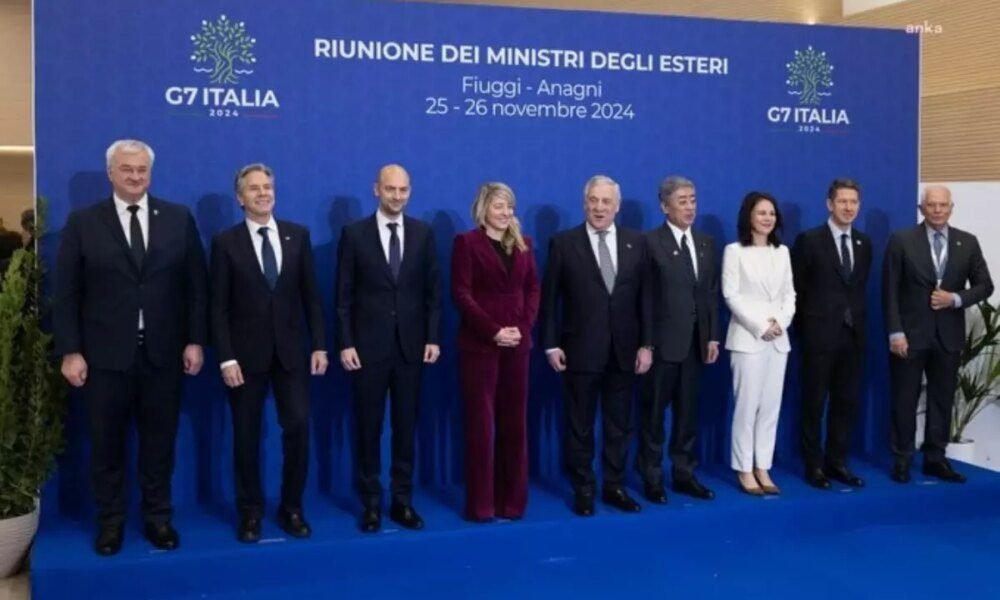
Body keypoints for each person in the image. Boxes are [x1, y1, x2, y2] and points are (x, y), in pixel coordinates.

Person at [54, 139, 208, 555]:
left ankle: (158, 519)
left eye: (142, 169)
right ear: (111, 173)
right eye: (127, 169)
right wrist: (70, 350)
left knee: (159, 445)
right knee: (107, 446)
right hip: (104, 357)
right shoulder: (83, 222)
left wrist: (195, 340)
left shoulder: (177, 218)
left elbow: (196, 286)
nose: (135, 176)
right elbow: (66, 292)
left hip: (164, 354)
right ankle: (110, 524)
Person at [210, 163, 327, 543]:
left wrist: (319, 345)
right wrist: (226, 357)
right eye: (254, 188)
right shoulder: (225, 242)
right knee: (246, 436)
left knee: (298, 427)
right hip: (244, 359)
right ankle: (250, 513)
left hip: (291, 354)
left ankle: (292, 508)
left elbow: (311, 297)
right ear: (240, 198)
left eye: (267, 187)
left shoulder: (297, 235)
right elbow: (218, 307)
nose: (263, 193)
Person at [336, 164, 442, 532]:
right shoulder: (354, 234)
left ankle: (402, 501)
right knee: (368, 428)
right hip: (367, 349)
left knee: (405, 427)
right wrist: (346, 343)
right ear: (376, 189)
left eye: (403, 190)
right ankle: (370, 504)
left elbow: (433, 293)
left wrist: (432, 337)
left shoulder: (423, 233)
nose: (397, 196)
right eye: (390, 189)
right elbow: (343, 296)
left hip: (411, 348)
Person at [539, 175, 651, 517]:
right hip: (580, 349)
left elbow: (646, 299)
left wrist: (647, 345)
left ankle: (614, 486)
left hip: (624, 351)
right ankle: (584, 489)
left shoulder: (637, 242)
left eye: (606, 202)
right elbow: (549, 300)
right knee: (580, 425)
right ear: (584, 203)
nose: (599, 208)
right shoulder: (564, 243)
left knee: (619, 425)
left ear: (617, 206)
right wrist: (550, 344)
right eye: (593, 200)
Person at [883, 185, 994, 484]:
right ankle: (903, 459)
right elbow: (890, 291)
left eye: (943, 205)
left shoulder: (967, 242)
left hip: (949, 336)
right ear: (922, 208)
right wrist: (895, 332)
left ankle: (935, 458)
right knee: (904, 399)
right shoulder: (902, 240)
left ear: (951, 208)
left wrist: (955, 299)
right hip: (909, 335)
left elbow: (985, 285)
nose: (937, 210)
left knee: (942, 399)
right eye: (931, 205)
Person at [451, 182, 539, 522]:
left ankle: (513, 503)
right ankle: (482, 505)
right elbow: (461, 293)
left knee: (514, 426)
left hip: (518, 344)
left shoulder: (524, 243)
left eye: (509, 206)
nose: (505, 213)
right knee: (481, 427)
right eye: (498, 206)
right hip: (480, 346)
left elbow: (532, 289)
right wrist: (493, 331)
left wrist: (523, 328)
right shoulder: (466, 243)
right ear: (483, 208)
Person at [638, 175, 720, 502]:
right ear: (665, 206)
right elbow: (644, 298)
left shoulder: (705, 243)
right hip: (661, 345)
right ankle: (652, 477)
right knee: (654, 417)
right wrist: (646, 344)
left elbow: (710, 294)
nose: (689, 207)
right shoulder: (649, 243)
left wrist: (712, 337)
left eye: (693, 200)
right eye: (682, 201)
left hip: (695, 345)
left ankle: (684, 474)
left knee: (688, 416)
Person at [791, 179, 871, 490]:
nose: (849, 207)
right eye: (842, 202)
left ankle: (837, 462)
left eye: (854, 202)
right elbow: (797, 290)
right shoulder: (809, 240)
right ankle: (813, 465)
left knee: (846, 403)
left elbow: (858, 289)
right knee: (814, 403)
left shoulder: (864, 243)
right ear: (829, 204)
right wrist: (807, 331)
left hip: (853, 337)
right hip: (819, 337)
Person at [722, 191, 796, 495]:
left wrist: (781, 323)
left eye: (772, 213)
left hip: (778, 340)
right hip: (748, 339)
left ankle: (763, 465)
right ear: (749, 216)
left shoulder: (782, 252)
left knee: (770, 407)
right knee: (747, 406)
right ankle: (743, 467)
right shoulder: (734, 251)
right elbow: (731, 295)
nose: (768, 218)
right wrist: (761, 326)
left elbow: (790, 294)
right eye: (762, 213)